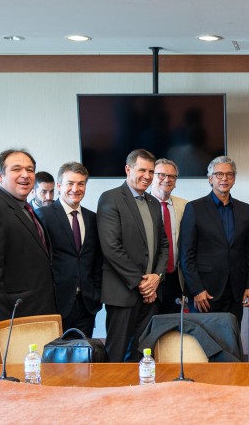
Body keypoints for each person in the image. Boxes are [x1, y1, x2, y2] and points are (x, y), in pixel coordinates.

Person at [0, 149, 57, 363]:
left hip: (30, 321)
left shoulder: (24, 209)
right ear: (0, 176)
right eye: (16, 169)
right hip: (7, 326)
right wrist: (1, 329)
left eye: (30, 170)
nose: (25, 175)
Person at [97, 149, 169, 362]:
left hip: (151, 294)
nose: (147, 176)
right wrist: (141, 283)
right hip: (123, 293)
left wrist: (157, 276)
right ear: (128, 169)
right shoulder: (110, 198)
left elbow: (163, 245)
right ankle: (113, 395)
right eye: (142, 170)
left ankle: (140, 395)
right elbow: (111, 248)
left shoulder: (154, 202)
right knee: (117, 355)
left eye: (151, 171)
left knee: (143, 354)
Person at [180, 156, 249, 325]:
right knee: (205, 343)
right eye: (219, 174)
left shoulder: (244, 209)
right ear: (210, 178)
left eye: (229, 175)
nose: (224, 178)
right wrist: (197, 289)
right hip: (205, 292)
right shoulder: (194, 208)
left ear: (234, 179)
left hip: (236, 290)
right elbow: (186, 254)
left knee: (231, 340)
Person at [35, 162, 102, 337]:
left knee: (82, 357)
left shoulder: (92, 218)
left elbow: (96, 259)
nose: (75, 188)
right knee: (56, 360)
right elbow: (40, 262)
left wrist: (96, 292)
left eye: (81, 183)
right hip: (56, 303)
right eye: (70, 183)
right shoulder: (43, 216)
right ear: (59, 186)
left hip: (87, 304)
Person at [150, 158, 188, 315]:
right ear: (152, 177)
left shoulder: (185, 206)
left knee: (172, 328)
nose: (167, 179)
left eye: (172, 176)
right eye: (161, 175)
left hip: (175, 278)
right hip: (149, 279)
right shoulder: (139, 204)